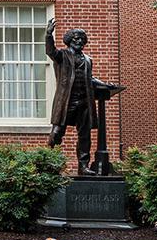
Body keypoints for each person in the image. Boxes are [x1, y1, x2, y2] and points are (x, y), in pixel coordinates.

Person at [45, 25, 121, 174]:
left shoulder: (87, 60)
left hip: (84, 102)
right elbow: (50, 51)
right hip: (66, 101)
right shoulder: (62, 55)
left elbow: (90, 79)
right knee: (57, 132)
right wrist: (48, 35)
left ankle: (83, 166)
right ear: (69, 41)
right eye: (76, 38)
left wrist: (106, 85)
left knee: (84, 135)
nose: (79, 41)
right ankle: (48, 162)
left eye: (82, 39)